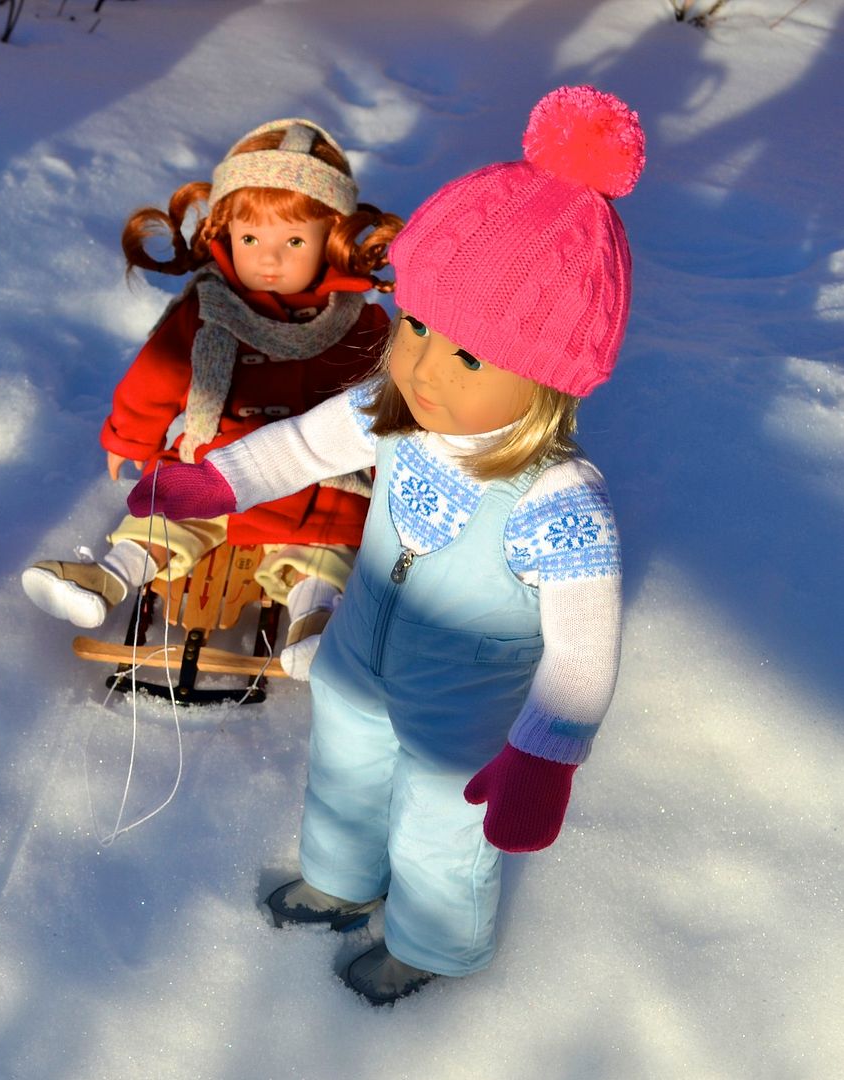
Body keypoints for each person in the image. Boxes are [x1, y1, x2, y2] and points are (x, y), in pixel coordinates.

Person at [128, 86, 642, 1003]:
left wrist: (542, 755)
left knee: (442, 823)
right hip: (361, 650)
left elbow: (582, 650)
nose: (419, 366)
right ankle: (338, 879)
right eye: (415, 325)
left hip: (465, 704)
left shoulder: (557, 500)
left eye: (470, 357)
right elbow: (305, 442)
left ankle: (431, 944)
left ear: (553, 376)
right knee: (344, 771)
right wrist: (218, 482)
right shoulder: (399, 406)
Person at [21, 119, 402, 677]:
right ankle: (106, 576)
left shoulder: (356, 321)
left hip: (310, 475)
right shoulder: (208, 307)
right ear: (226, 234)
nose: (268, 259)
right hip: (215, 458)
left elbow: (386, 395)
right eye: (252, 239)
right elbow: (158, 374)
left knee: (331, 536)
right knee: (164, 513)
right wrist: (131, 434)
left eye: (293, 241)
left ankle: (313, 622)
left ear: (332, 239)